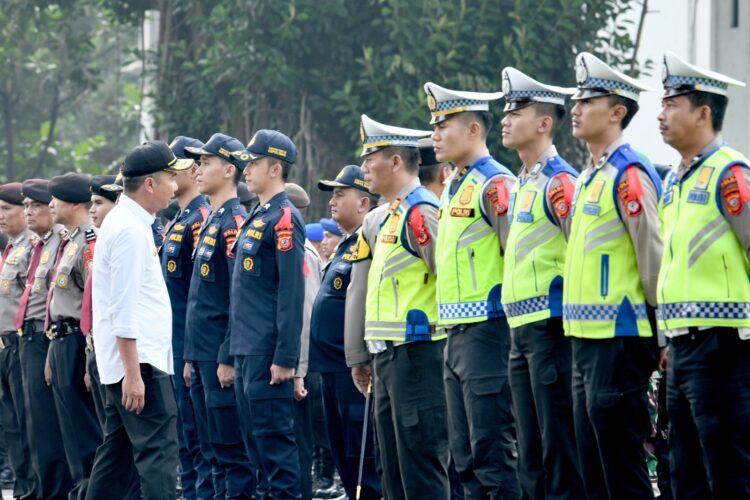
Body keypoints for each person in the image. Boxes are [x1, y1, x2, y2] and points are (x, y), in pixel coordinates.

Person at [564, 52, 662, 500]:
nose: (577, 109)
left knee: (622, 470)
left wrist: (661, 334)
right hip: (585, 341)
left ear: (617, 112)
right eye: (576, 100)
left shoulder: (628, 173)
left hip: (620, 341)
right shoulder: (589, 177)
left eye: (589, 100)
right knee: (592, 470)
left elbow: (652, 255)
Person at [656, 51, 750, 498]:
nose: (661, 115)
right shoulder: (675, 180)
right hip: (682, 346)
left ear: (703, 112)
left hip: (723, 344)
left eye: (672, 105)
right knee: (684, 473)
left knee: (728, 468)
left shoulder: (729, 172)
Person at [424, 80, 520, 498]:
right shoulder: (455, 187)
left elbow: (512, 257)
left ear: (473, 130)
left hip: (489, 330)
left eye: (444, 125)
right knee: (463, 459)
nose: (435, 135)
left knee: (492, 453)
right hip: (456, 335)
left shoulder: (495, 184)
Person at [347, 114, 450, 499]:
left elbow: (448, 280)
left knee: (420, 468)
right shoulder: (390, 215)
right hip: (389, 360)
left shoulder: (421, 212)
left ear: (395, 162)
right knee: (393, 471)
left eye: (371, 155)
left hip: (419, 357)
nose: (363, 166)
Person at [499, 67, 584, 499]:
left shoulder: (560, 183)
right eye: (506, 110)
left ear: (545, 123)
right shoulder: (521, 183)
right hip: (521, 330)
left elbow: (579, 251)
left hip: (552, 329)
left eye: (517, 111)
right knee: (529, 452)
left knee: (558, 449)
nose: (505, 119)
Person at [86, 140, 189, 499]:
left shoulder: (124, 222)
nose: (174, 186)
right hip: (140, 365)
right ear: (150, 183)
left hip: (129, 363)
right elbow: (123, 309)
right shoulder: (129, 229)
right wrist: (133, 375)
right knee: (159, 454)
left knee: (116, 460)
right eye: (170, 177)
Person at [228, 129, 305, 498]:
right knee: (254, 449)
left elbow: (291, 293)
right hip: (246, 351)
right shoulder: (257, 217)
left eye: (254, 163)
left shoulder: (285, 218)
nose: (246, 170)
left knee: (275, 451)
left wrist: (286, 356)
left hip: (267, 353)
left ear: (275, 168)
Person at [183, 133, 255, 498]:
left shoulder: (234, 223)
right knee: (209, 448)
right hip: (201, 354)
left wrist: (226, 356)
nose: (197, 170)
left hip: (219, 356)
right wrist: (191, 358)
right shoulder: (212, 220)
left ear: (229, 170)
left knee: (231, 452)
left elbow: (235, 298)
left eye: (206, 163)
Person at [310, 164, 382, 499]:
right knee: (343, 457)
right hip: (331, 370)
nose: (332, 202)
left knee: (363, 459)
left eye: (341, 194)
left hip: (354, 370)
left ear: (364, 203)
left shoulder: (370, 241)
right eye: (332, 195)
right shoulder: (345, 246)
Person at [160, 136, 213, 500]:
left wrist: (193, 351)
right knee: (185, 437)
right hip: (173, 341)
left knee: (200, 438)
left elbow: (202, 293)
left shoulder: (200, 219)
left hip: (190, 343)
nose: (168, 174)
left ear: (194, 170)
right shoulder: (180, 218)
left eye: (174, 166)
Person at [46, 172, 103, 499]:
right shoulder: (70, 241)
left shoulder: (87, 242)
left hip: (79, 342)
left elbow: (92, 303)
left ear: (74, 203)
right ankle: (81, 490)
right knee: (70, 432)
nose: (51, 205)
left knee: (85, 430)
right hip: (61, 340)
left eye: (56, 199)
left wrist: (87, 360)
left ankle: (91, 491)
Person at [16, 179, 74, 498]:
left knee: (51, 427)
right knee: (35, 424)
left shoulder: (61, 244)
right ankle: (42, 489)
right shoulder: (39, 245)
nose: (30, 211)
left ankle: (55, 491)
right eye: (26, 206)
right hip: (29, 339)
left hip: (46, 338)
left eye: (36, 205)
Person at [283, 182, 325, 500]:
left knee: (298, 444)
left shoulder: (303, 252)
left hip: (301, 364)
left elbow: (306, 313)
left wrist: (300, 369)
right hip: (290, 361)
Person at [0, 182, 38, 499]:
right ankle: (23, 488)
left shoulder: (32, 248)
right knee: (11, 427)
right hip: (4, 347)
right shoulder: (11, 248)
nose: (0, 215)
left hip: (20, 344)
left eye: (6, 209)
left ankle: (32, 489)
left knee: (28, 426)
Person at [84, 174, 122, 428]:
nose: (92, 210)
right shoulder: (94, 244)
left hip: (121, 352)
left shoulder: (124, 240)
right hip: (97, 346)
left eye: (99, 203)